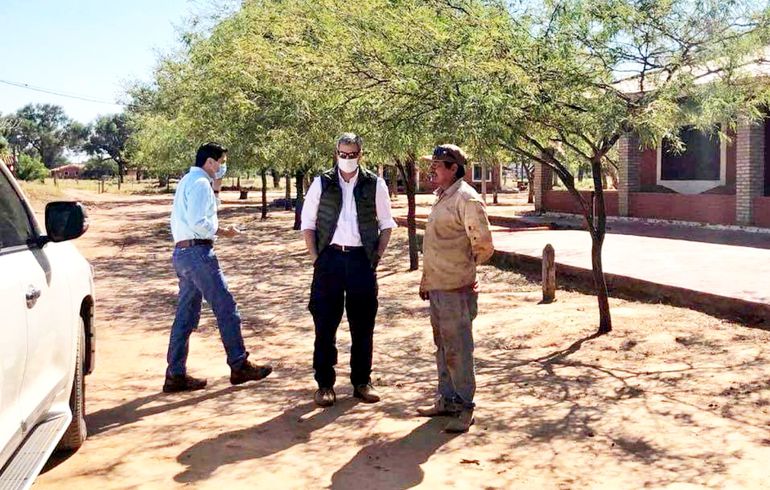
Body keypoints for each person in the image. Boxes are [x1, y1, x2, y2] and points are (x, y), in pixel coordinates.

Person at [164, 142, 272, 393]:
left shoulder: (189, 181)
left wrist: (217, 186)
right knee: (226, 307)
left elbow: (209, 209)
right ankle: (239, 364)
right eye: (221, 162)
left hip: (183, 253)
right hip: (198, 253)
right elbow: (200, 222)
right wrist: (225, 232)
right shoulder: (200, 183)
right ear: (210, 162)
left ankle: (175, 374)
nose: (222, 167)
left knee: (186, 315)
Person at [300, 133, 397, 407]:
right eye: (342, 154)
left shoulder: (374, 184)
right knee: (325, 324)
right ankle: (325, 385)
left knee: (363, 324)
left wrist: (375, 256)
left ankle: (362, 382)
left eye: (352, 154)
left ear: (360, 155)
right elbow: (307, 224)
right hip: (329, 261)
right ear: (336, 153)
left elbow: (386, 224)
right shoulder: (322, 183)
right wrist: (316, 259)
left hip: (361, 261)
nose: (347, 159)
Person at [417, 144, 494, 433]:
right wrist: (428, 281)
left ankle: (465, 407)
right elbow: (436, 246)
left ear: (453, 168)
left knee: (459, 349)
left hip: (456, 290)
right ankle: (447, 400)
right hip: (438, 288)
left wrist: (464, 275)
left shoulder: (466, 199)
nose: (433, 170)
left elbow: (483, 245)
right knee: (443, 348)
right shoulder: (443, 197)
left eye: (438, 165)